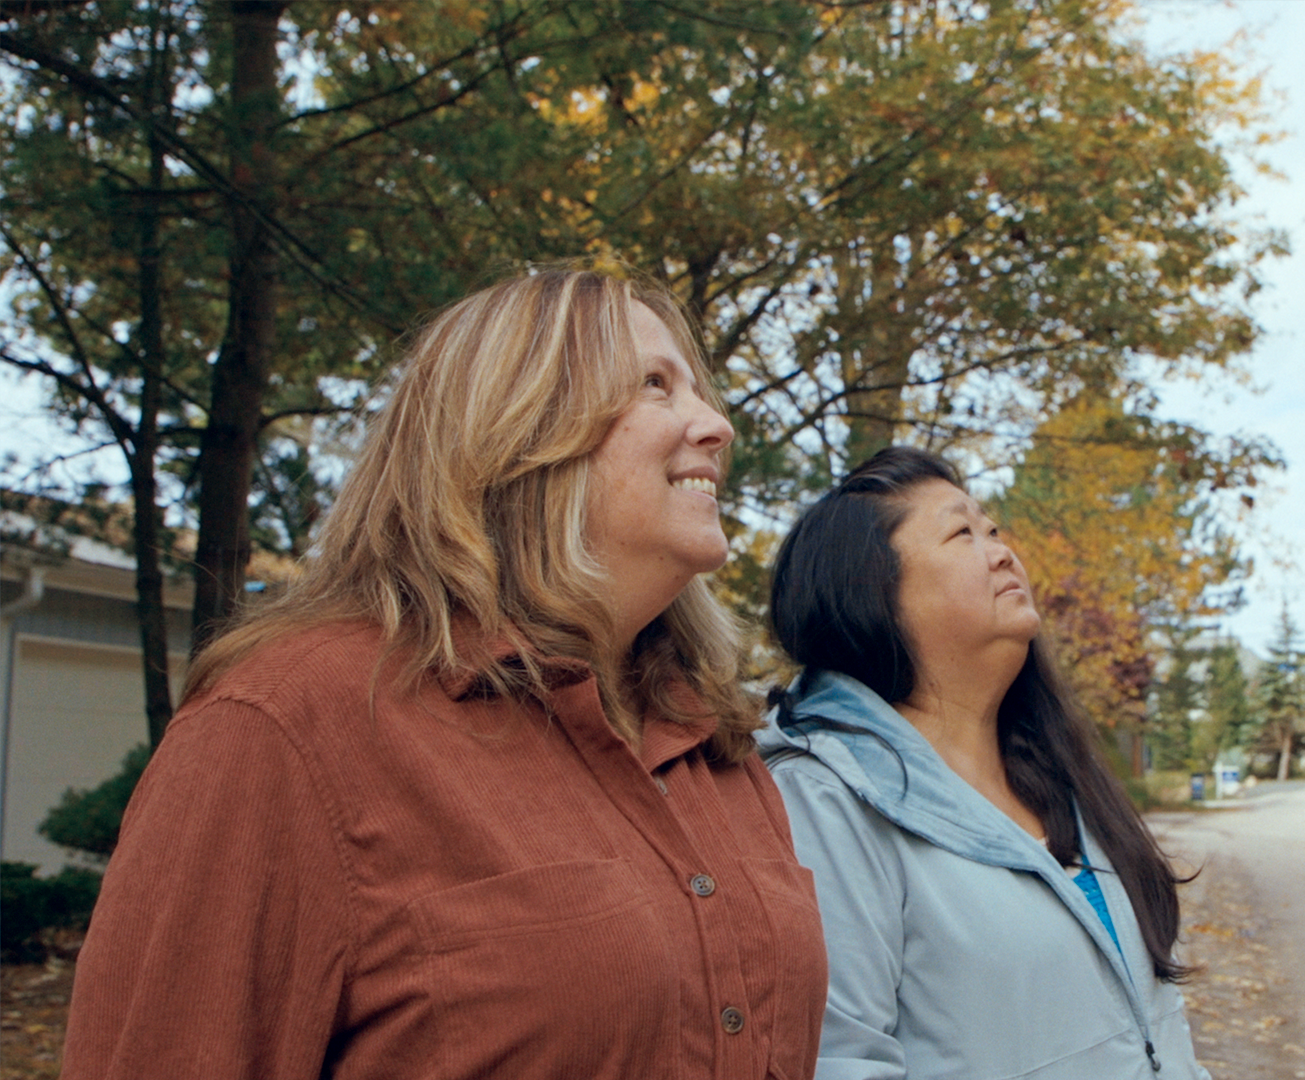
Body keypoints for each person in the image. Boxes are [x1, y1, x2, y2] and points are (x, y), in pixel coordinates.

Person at [62, 267, 829, 1080]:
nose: (715, 424)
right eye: (653, 385)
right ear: (515, 428)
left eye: (699, 390)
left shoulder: (719, 743)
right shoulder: (290, 722)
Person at [757, 446, 1210, 1080]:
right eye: (962, 533)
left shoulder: (1059, 779)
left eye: (994, 529)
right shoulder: (825, 798)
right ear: (872, 593)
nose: (1001, 550)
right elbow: (840, 1061)